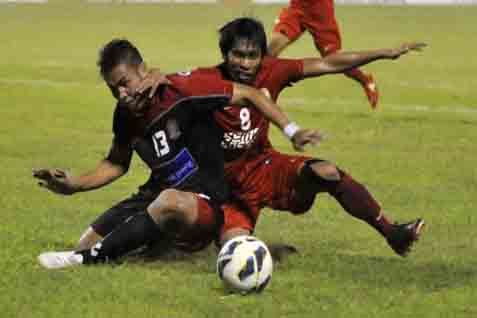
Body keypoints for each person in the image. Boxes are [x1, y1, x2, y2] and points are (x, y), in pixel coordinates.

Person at [139, 17, 426, 257]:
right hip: (226, 189)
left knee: (326, 172)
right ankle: (260, 250)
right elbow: (170, 80)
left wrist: (384, 53)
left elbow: (328, 63)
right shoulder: (208, 80)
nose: (245, 63)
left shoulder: (273, 71)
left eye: (253, 56)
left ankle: (393, 234)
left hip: (264, 166)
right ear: (225, 54)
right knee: (236, 251)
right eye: (237, 54)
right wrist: (152, 73)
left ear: (262, 56)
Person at [35, 38, 321, 269]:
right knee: (88, 241)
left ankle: (85, 261)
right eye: (113, 89)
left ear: (143, 70)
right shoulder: (124, 115)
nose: (121, 94)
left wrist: (292, 130)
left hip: (205, 201)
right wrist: (74, 185)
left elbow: (251, 93)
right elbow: (116, 163)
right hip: (155, 194)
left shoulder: (180, 90)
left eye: (124, 83)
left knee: (169, 203)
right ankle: (154, 247)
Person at [268, 0, 380, 108]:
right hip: (297, 7)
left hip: (320, 9)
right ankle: (260, 96)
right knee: (270, 51)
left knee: (333, 58)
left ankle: (364, 79)